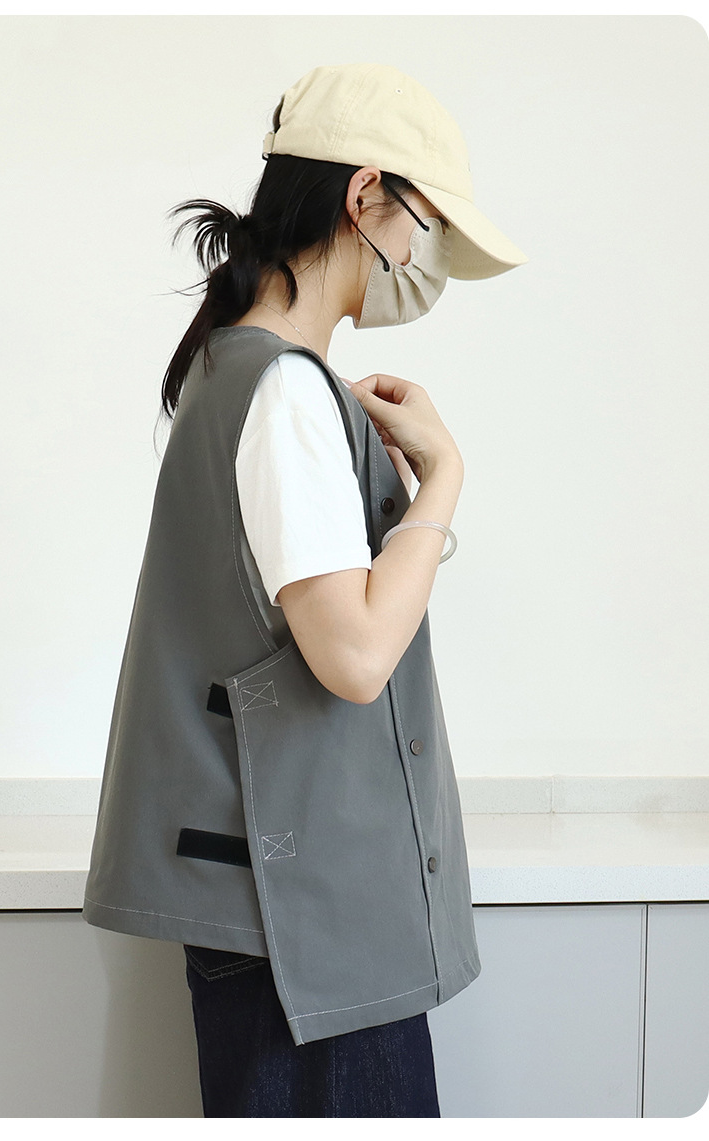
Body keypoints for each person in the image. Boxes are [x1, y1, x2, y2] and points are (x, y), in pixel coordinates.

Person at [82, 61, 527, 1118]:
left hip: (280, 899)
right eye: (424, 225)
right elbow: (355, 656)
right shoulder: (284, 391)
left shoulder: (236, 368)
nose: (422, 259)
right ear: (365, 196)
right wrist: (442, 480)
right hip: (304, 915)